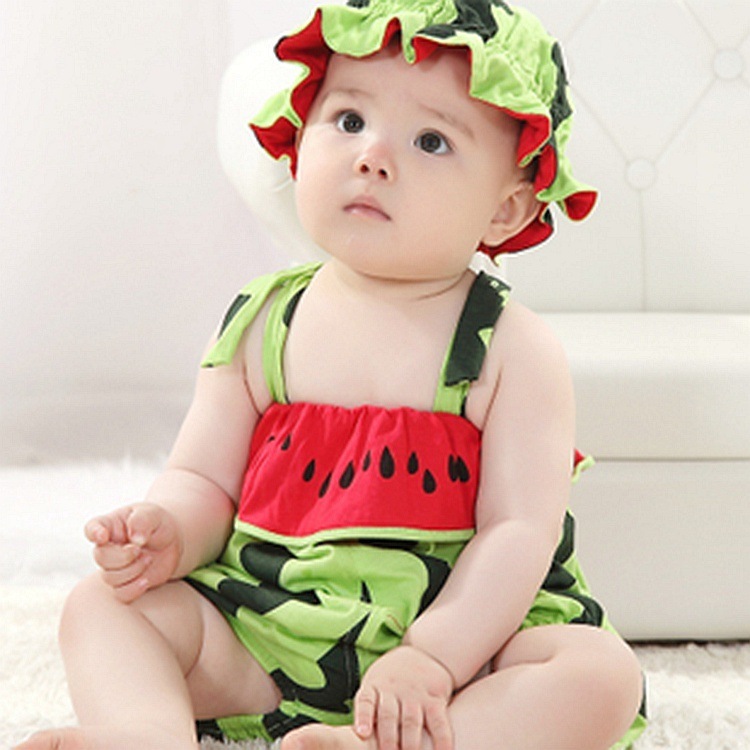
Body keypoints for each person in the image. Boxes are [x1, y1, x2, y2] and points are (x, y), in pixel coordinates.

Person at [18, 1, 647, 749]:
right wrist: (171, 531)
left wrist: (433, 657)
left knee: (600, 674)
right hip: (268, 628)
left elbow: (519, 531)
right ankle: (145, 733)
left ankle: (383, 741)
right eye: (349, 120)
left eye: (431, 141)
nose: (372, 156)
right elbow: (204, 479)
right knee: (103, 606)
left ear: (505, 210)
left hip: (459, 651)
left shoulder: (514, 348)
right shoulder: (262, 320)